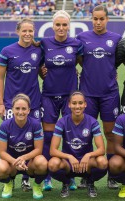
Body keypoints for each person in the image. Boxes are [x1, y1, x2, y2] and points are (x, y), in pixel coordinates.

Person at [76, 5, 122, 189]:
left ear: (107, 19)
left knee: (110, 134)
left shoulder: (116, 39)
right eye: (95, 19)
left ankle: (111, 175)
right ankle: (87, 175)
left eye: (101, 18)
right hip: (87, 94)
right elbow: (78, 58)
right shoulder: (82, 38)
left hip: (109, 94)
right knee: (86, 135)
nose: (98, 22)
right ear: (91, 19)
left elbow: (119, 60)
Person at [0, 18, 44, 192]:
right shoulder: (7, 51)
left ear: (34, 32)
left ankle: (26, 178)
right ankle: (10, 177)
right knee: (13, 140)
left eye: (30, 31)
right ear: (18, 32)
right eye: (24, 31)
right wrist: (1, 104)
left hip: (34, 104)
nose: (27, 34)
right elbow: (0, 78)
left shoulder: (38, 51)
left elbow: (44, 70)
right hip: (12, 104)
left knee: (32, 141)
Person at [40, 10, 83, 190]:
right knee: (49, 135)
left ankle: (70, 175)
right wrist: (42, 73)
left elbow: (84, 64)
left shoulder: (76, 44)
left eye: (64, 25)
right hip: (49, 95)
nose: (61, 28)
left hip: (69, 96)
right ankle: (47, 176)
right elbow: (36, 64)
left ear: (69, 26)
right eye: (58, 24)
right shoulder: (44, 43)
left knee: (69, 135)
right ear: (53, 26)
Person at [48, 91, 108, 198]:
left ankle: (90, 182)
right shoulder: (62, 122)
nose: (77, 106)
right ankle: (66, 183)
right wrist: (69, 156)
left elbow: (102, 149)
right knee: (52, 164)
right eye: (74, 103)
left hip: (86, 164)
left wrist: (88, 155)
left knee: (102, 162)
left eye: (80, 103)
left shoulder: (92, 122)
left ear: (85, 104)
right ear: (69, 104)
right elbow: (53, 150)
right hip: (68, 164)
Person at [0, 94, 47, 199]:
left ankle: (37, 185)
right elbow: (2, 152)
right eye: (17, 108)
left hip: (29, 164)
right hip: (12, 163)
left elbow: (38, 150)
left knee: (42, 162)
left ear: (28, 110)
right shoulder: (5, 125)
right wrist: (15, 161)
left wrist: (23, 158)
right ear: (12, 109)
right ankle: (8, 184)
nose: (20, 112)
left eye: (24, 109)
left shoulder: (35, 124)